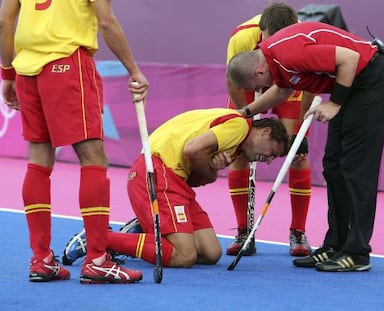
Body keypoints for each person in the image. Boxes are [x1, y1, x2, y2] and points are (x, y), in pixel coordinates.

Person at [227, 21, 384, 272]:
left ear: (259, 73)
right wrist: (246, 113)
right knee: (333, 165)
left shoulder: (286, 52)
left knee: (356, 168)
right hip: (353, 87)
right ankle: (335, 244)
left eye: (255, 88)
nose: (258, 91)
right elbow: (282, 92)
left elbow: (349, 59)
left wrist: (335, 104)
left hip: (371, 81)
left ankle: (357, 252)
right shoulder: (273, 59)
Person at [0, 0, 149, 283]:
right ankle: (97, 260)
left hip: (27, 71)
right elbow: (106, 21)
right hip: (68, 64)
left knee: (39, 161)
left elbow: (4, 22)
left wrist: (7, 73)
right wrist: (134, 70)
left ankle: (41, 259)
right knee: (93, 158)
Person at [62, 108, 290, 268]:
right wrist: (212, 172)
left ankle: (142, 232)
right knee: (183, 255)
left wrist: (209, 171)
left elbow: (194, 177)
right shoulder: (239, 126)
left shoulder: (234, 142)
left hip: (175, 181)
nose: (268, 160)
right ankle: (97, 237)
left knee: (210, 253)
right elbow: (192, 150)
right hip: (156, 172)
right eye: (272, 153)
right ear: (265, 132)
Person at [225, 2, 314, 257]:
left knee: (296, 153)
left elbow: (311, 82)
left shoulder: (302, 38)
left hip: (289, 83)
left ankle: (298, 232)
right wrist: (248, 122)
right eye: (269, 40)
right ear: (261, 31)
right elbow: (232, 80)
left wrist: (299, 130)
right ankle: (243, 230)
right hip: (249, 82)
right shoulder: (242, 36)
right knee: (239, 151)